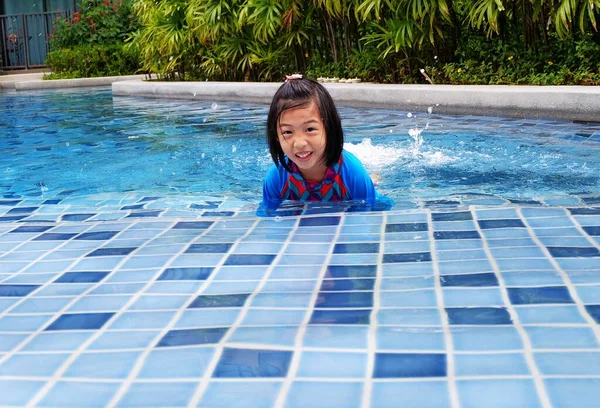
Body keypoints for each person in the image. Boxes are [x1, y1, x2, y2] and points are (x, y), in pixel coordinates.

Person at [260, 74, 390, 212]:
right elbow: (268, 217)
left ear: (329, 128)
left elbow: (371, 215)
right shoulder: (276, 177)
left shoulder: (352, 173)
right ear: (276, 136)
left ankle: (373, 179)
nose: (299, 143)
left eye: (310, 129)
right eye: (287, 132)